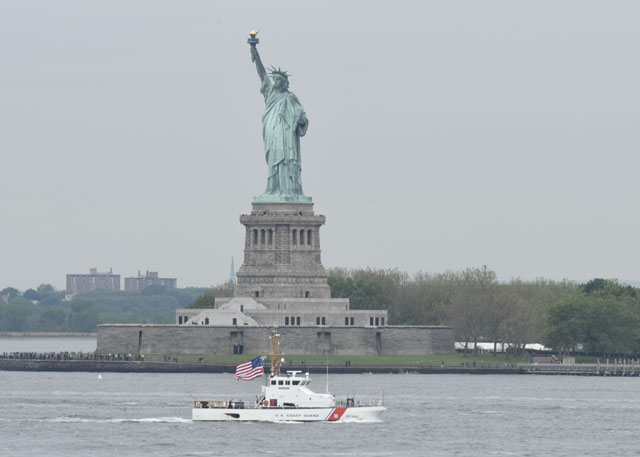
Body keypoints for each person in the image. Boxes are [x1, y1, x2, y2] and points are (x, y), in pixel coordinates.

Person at [250, 44, 308, 198]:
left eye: (278, 80)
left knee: (287, 160)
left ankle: (289, 190)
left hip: (287, 135)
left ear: (284, 82)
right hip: (273, 132)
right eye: (274, 80)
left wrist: (301, 119)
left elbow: (301, 115)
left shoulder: (291, 98)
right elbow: (262, 74)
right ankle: (273, 189)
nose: (275, 82)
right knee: (274, 159)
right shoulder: (270, 93)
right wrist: (255, 53)